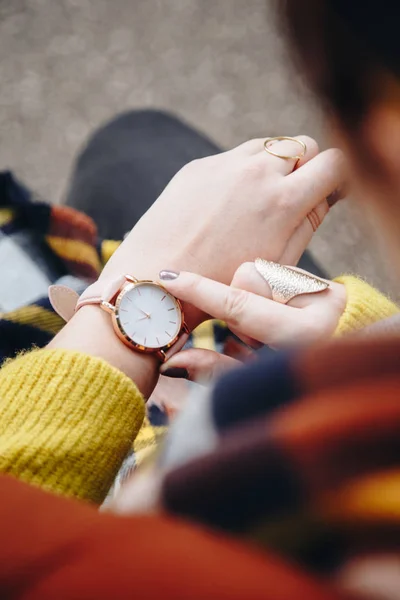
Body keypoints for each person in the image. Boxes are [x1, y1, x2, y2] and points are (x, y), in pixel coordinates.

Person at [0, 2, 400, 599]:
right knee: (136, 142)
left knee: (130, 142)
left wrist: (133, 297)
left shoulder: (217, 498)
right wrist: (359, 336)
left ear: (378, 133)